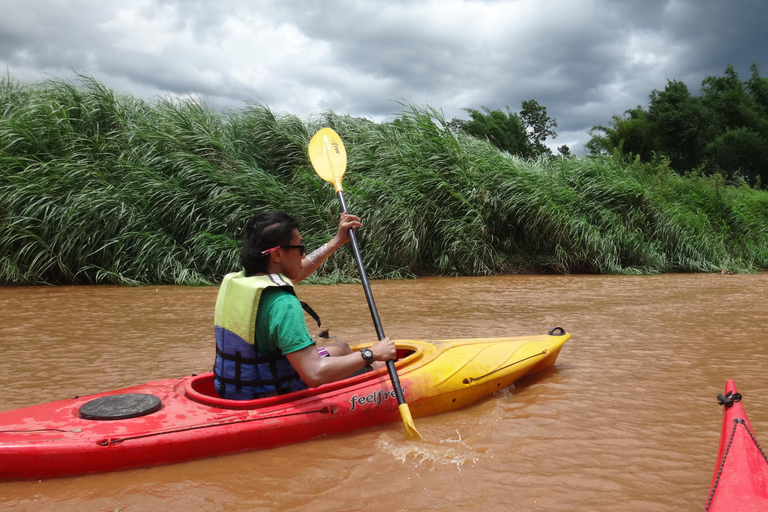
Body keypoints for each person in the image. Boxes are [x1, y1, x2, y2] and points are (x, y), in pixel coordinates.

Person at [213, 211, 397, 400]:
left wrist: (336, 242)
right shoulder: (283, 303)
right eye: (299, 248)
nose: (304, 255)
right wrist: (372, 353)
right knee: (380, 365)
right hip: (270, 393)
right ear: (277, 254)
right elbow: (315, 374)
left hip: (233, 387)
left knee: (341, 347)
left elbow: (298, 271)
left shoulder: (241, 280)